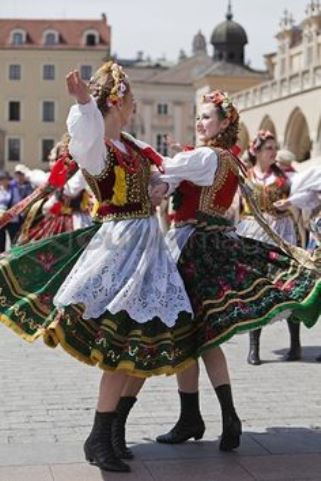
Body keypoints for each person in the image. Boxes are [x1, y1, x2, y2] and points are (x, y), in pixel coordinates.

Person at [0, 61, 196, 473]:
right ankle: (98, 435)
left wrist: (157, 189)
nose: (136, 103)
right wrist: (84, 102)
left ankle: (113, 431)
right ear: (117, 100)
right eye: (131, 97)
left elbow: (160, 176)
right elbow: (85, 135)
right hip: (120, 247)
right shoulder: (97, 148)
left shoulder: (133, 145)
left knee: (144, 341)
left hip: (147, 247)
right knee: (121, 342)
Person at [110, 92, 321, 459]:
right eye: (199, 116)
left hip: (193, 248)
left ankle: (120, 423)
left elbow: (165, 164)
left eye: (207, 117)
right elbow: (170, 176)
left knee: (166, 331)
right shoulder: (225, 159)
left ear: (224, 124)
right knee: (200, 340)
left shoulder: (207, 156)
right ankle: (212, 418)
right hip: (206, 243)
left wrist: (125, 140)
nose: (199, 122)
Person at [236, 130, 315, 365]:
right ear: (257, 151)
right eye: (269, 148)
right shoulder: (246, 177)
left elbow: (305, 198)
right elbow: (236, 207)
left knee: (289, 286)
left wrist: (290, 205)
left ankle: (295, 344)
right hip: (253, 234)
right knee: (256, 289)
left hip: (282, 233)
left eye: (274, 148)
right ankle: (254, 347)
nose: (273, 152)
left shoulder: (286, 177)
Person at [0, 170, 21, 252]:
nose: (2, 181)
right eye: (1, 179)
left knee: (13, 241)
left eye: (4, 179)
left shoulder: (14, 189)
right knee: (1, 241)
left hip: (12, 219)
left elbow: (18, 202)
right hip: (1, 219)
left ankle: (14, 257)